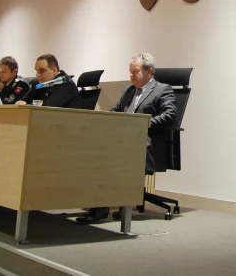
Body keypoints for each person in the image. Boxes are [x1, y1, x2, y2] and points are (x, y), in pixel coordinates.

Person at [76, 53, 177, 224]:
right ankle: (95, 201)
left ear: (149, 72)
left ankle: (100, 208)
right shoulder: (128, 90)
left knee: (111, 157)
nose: (131, 76)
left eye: (135, 72)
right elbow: (115, 111)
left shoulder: (162, 89)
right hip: (123, 139)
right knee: (94, 150)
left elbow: (170, 115)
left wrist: (142, 123)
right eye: (129, 72)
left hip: (146, 143)